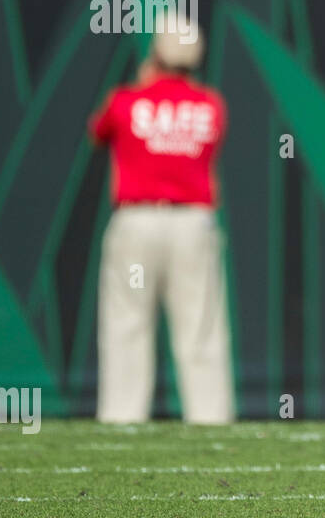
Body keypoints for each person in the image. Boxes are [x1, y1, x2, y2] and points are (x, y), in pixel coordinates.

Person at [89, 28, 233, 425]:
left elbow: (98, 133)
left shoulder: (126, 101)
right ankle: (211, 421)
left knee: (127, 323)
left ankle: (121, 419)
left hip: (138, 222)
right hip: (192, 225)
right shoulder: (210, 105)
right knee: (200, 328)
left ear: (155, 54)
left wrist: (144, 85)